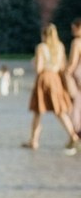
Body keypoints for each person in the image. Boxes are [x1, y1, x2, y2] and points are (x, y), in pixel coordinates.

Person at [22, 23, 78, 152]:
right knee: (60, 111)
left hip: (44, 79)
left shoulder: (41, 47)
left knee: (38, 111)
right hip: (56, 79)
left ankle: (34, 140)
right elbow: (63, 65)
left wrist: (34, 61)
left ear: (44, 35)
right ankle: (73, 136)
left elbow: (39, 68)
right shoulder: (60, 46)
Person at [68, 18, 81, 136]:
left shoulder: (77, 42)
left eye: (74, 28)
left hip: (78, 78)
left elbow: (72, 63)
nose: (72, 31)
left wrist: (65, 73)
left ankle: (77, 134)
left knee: (76, 106)